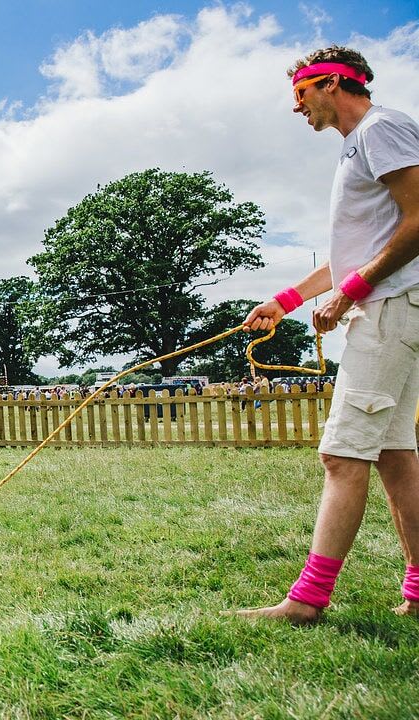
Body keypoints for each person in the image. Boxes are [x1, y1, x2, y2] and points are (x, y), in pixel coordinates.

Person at [237, 45, 419, 622]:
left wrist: (353, 292)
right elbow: (353, 255)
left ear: (334, 83)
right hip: (392, 306)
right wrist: (285, 301)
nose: (297, 108)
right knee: (394, 455)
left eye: (300, 93)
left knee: (341, 458)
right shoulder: (356, 147)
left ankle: (308, 601)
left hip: (389, 308)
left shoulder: (380, 129)